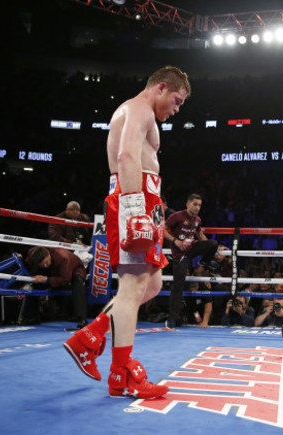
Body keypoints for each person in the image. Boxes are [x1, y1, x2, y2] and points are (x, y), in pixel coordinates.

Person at [64, 66, 191, 399]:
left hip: (144, 198)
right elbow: (126, 155)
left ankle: (89, 337)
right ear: (161, 87)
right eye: (176, 101)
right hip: (134, 197)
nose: (176, 110)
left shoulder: (142, 112)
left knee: (151, 284)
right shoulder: (138, 108)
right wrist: (136, 211)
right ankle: (121, 372)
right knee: (134, 286)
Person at [163, 193, 219, 328]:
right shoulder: (176, 216)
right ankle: (172, 317)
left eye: (199, 205)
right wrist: (175, 241)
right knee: (179, 283)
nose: (197, 207)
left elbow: (199, 234)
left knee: (213, 244)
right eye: (195, 204)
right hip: (179, 253)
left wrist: (211, 251)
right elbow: (163, 230)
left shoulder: (197, 220)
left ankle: (204, 262)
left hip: (191, 248)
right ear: (187, 204)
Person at [21, 246, 88, 328]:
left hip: (74, 270)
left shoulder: (63, 258)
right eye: (42, 264)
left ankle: (82, 319)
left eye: (46, 262)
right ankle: (32, 317)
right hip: (54, 270)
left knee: (77, 281)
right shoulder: (34, 253)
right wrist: (22, 258)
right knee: (33, 284)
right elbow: (28, 259)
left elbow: (65, 279)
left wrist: (46, 279)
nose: (45, 265)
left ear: (48, 254)